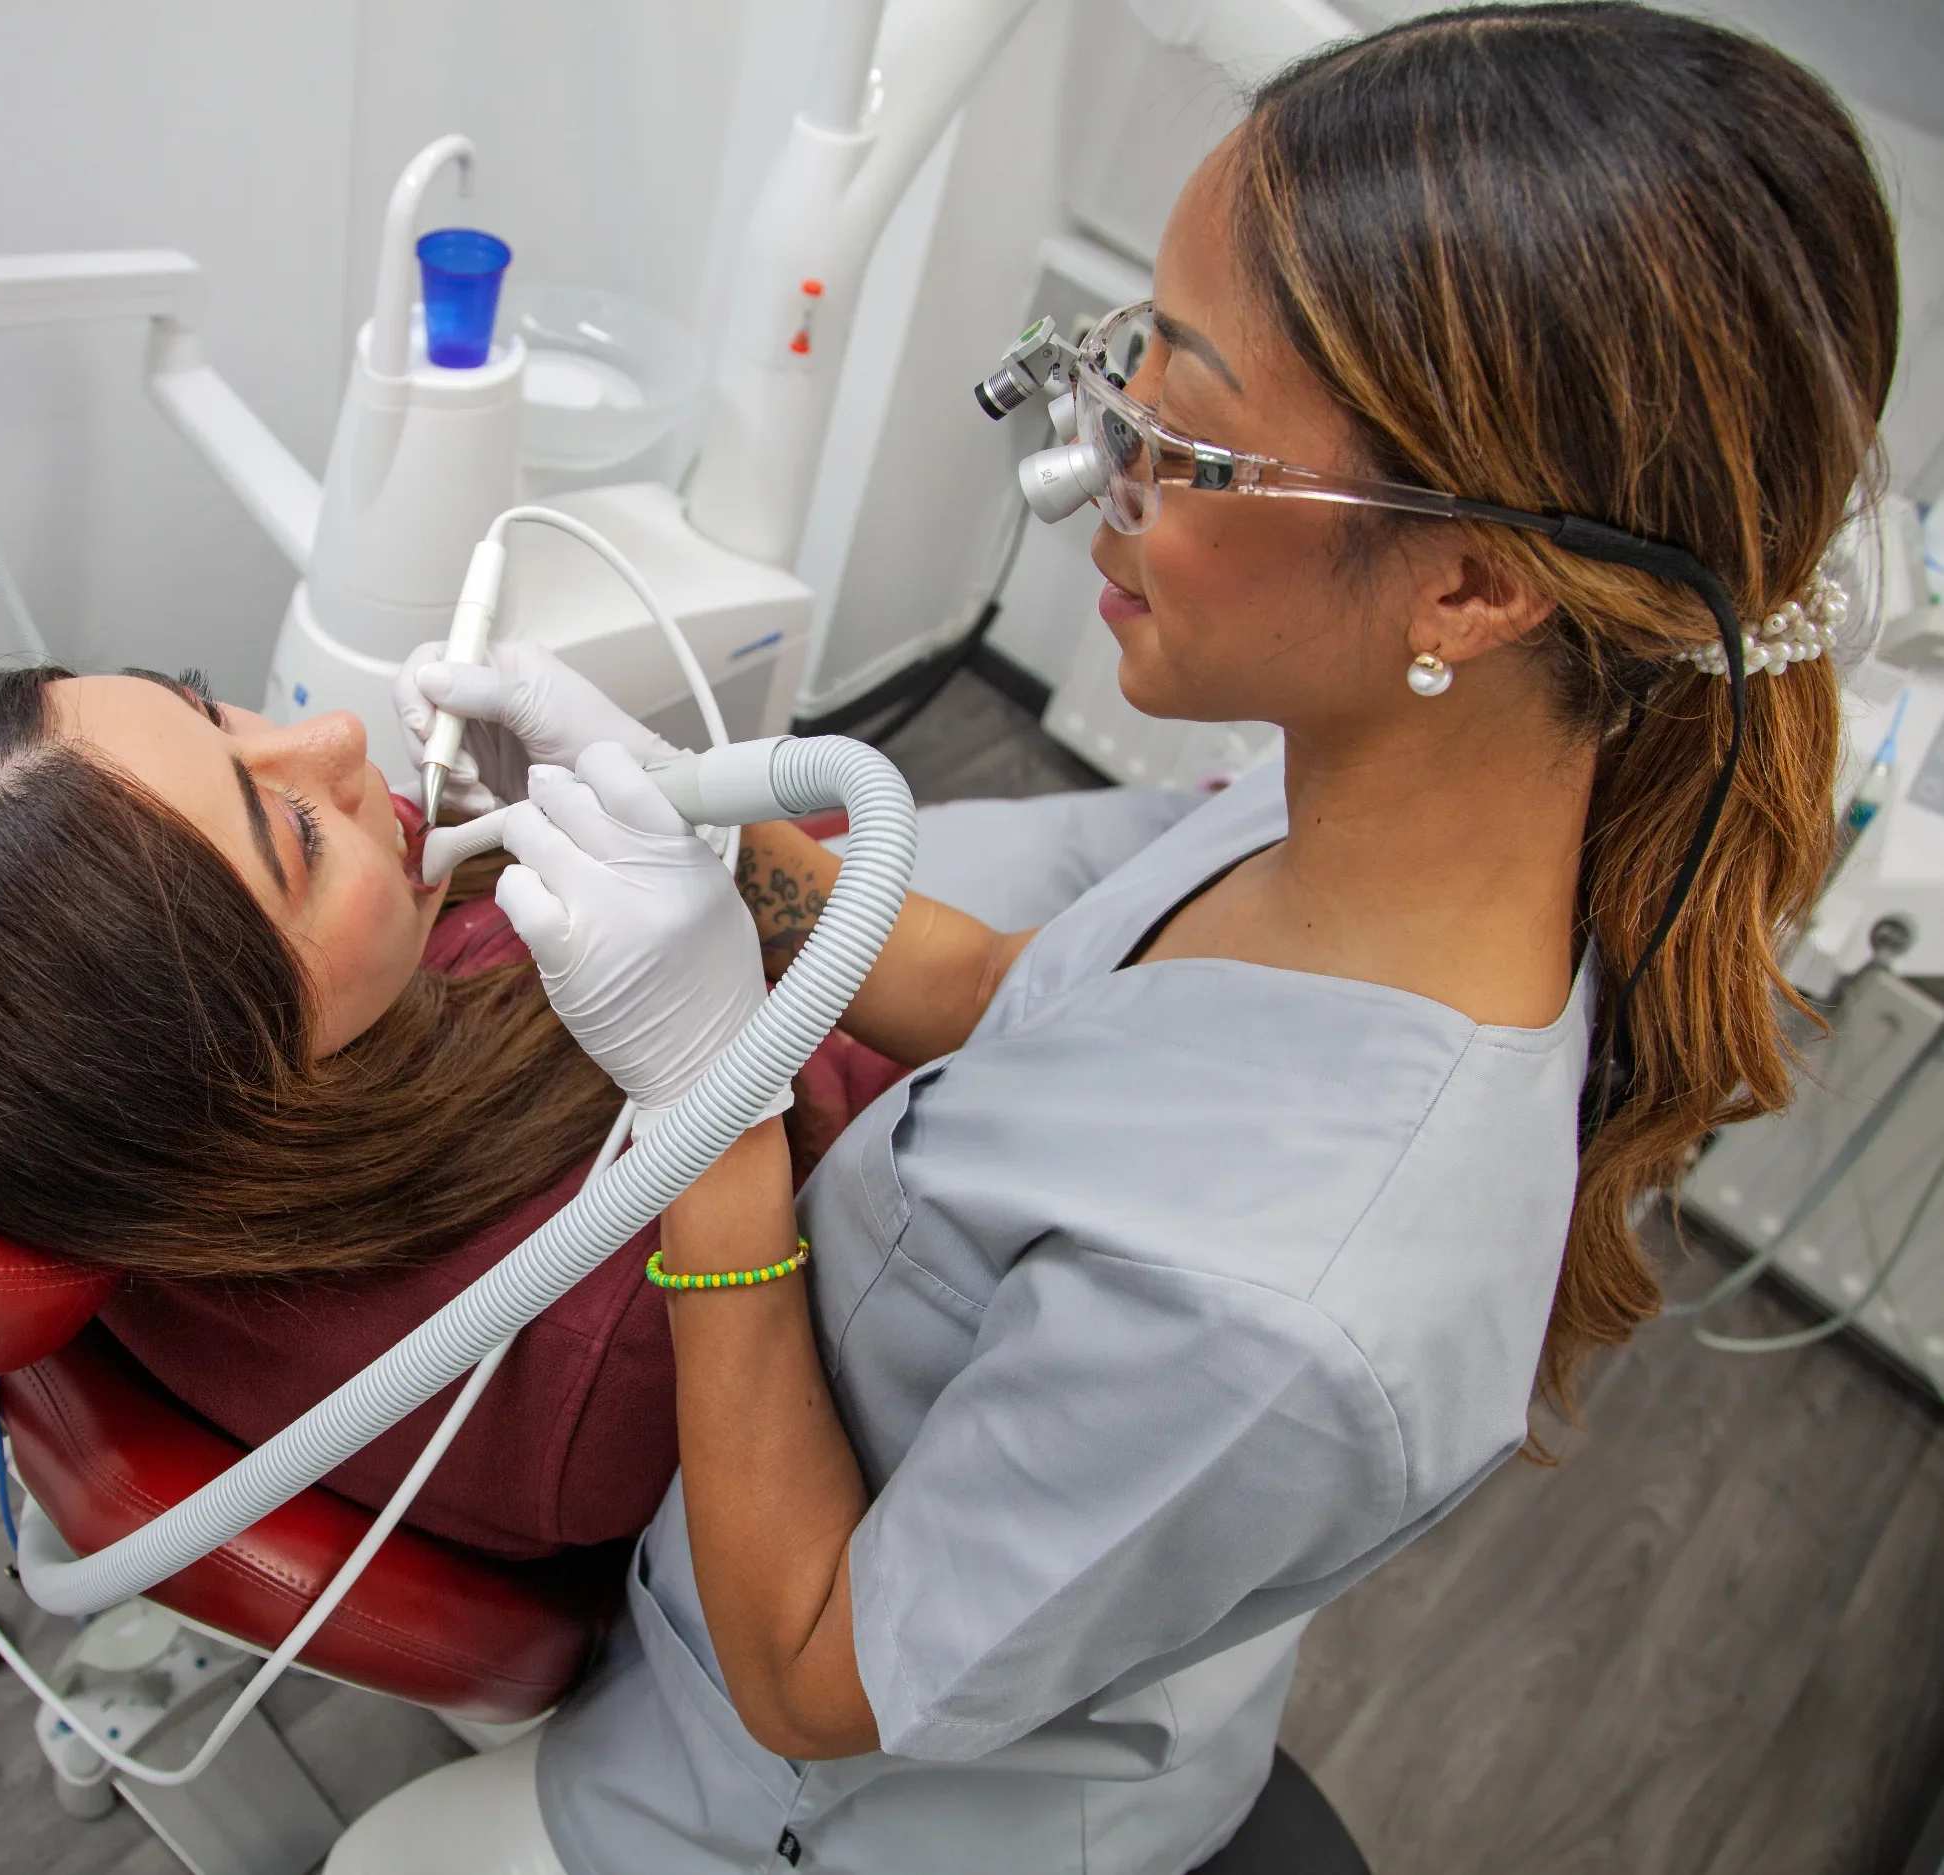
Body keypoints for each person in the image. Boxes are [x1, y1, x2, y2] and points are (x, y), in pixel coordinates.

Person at [343, 6, 1899, 1870]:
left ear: (1475, 584)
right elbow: (1029, 1000)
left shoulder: (1287, 1308)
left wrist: (713, 1113)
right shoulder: (1368, 820)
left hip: (793, 1797)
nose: (1086, 471)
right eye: (1123, 361)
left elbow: (812, 1674)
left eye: (1178, 434)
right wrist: (702, 821)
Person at [0, 666, 919, 1555]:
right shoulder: (598, 1338)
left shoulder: (109, 1159)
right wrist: (720, 1103)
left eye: (211, 709)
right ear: (229, 1082)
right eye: (294, 835)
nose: (338, 736)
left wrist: (689, 814)